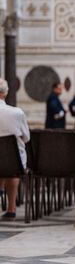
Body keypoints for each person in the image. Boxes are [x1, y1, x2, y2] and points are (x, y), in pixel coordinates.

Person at [0, 79, 30, 220]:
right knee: (11, 167)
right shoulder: (17, 113)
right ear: (5, 94)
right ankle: (11, 208)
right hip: (13, 163)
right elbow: (26, 138)